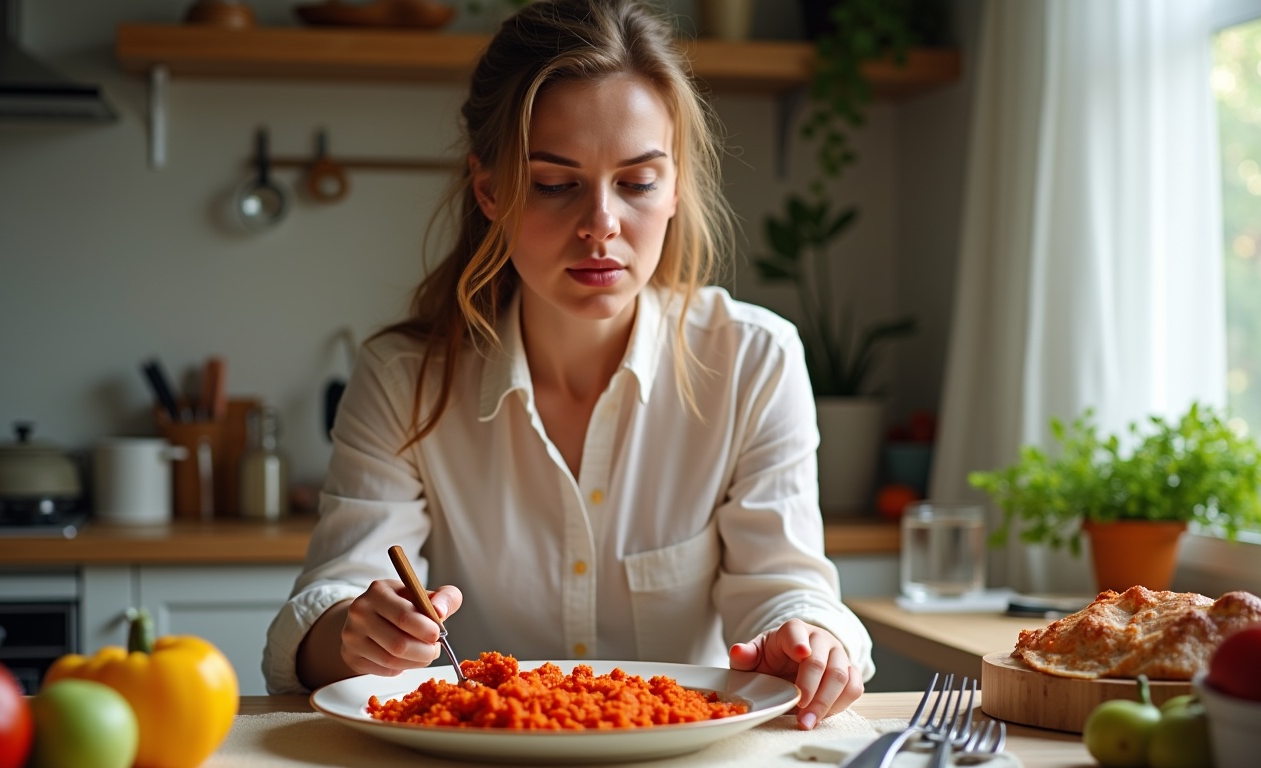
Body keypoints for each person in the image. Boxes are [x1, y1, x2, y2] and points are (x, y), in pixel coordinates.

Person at [263, 0, 875, 729]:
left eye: (638, 182)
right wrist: (354, 631)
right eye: (556, 184)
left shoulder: (753, 359)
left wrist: (810, 638)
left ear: (675, 187)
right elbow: (327, 606)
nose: (601, 226)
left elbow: (785, 583)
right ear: (489, 189)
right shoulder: (403, 377)